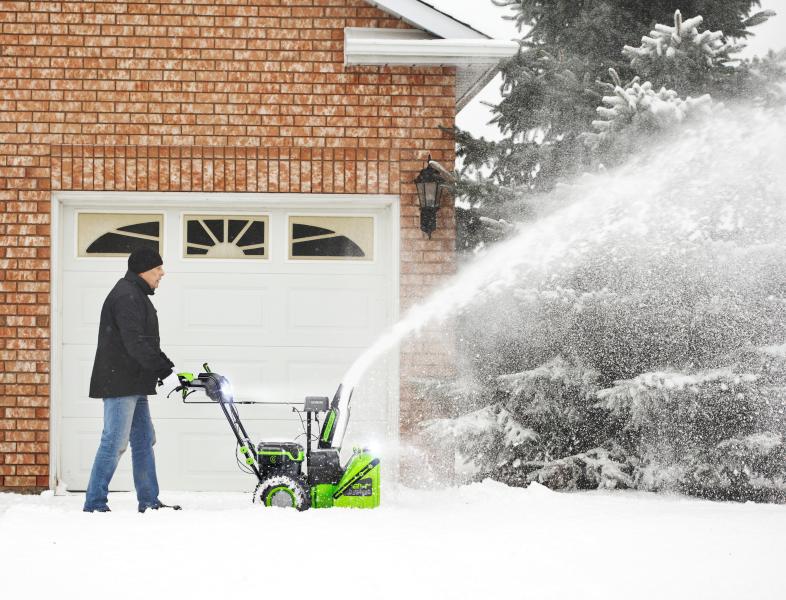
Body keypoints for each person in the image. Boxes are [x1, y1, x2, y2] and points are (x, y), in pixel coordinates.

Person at [83, 247, 181, 513]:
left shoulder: (136, 294)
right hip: (120, 382)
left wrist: (169, 369)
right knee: (114, 441)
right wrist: (163, 371)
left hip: (133, 382)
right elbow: (135, 343)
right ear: (144, 270)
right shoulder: (126, 296)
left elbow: (146, 342)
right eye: (157, 268)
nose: (162, 273)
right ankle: (94, 503)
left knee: (143, 439)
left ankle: (149, 501)